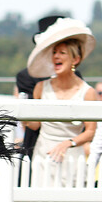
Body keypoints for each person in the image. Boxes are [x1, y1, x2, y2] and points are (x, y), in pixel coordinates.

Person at [25, 18, 97, 182]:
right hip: (43, 158)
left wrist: (69, 143)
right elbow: (35, 124)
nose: (56, 56)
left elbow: (91, 131)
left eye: (62, 53)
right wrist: (24, 117)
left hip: (71, 159)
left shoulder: (88, 93)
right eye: (54, 52)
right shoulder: (41, 87)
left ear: (75, 59)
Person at [15, 16, 65, 159]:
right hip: (38, 141)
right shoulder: (27, 76)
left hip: (67, 140)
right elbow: (33, 120)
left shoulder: (77, 78)